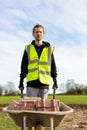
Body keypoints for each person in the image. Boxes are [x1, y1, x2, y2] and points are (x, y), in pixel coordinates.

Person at [18, 24, 58, 130]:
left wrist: (55, 79)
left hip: (44, 84)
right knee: (30, 111)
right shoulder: (28, 48)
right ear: (33, 34)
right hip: (31, 83)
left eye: (40, 32)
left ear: (43, 34)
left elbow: (53, 65)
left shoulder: (49, 49)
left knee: (42, 112)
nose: (38, 33)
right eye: (36, 32)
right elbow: (24, 65)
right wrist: (21, 80)